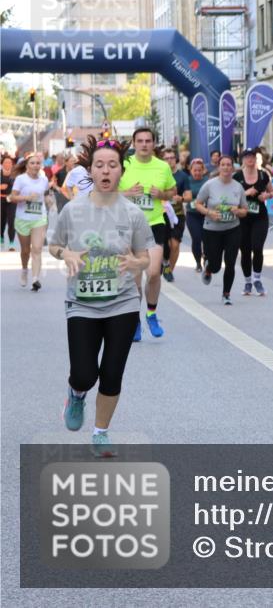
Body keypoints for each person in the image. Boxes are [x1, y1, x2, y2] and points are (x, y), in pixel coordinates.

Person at [50, 136, 153, 457]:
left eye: (112, 165)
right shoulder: (73, 210)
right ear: (90, 171)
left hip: (122, 302)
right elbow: (54, 245)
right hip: (81, 303)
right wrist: (65, 254)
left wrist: (137, 262)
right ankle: (76, 394)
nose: (106, 170)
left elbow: (145, 256)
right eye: (99, 165)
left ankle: (100, 433)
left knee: (112, 373)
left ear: (121, 170)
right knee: (84, 373)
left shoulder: (133, 213)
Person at [120, 127, 176, 341]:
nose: (144, 144)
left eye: (148, 141)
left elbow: (172, 191)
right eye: (140, 141)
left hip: (154, 224)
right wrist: (127, 193)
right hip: (129, 226)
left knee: (153, 273)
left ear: (154, 143)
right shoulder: (124, 165)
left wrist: (161, 194)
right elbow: (105, 191)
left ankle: (151, 313)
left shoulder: (162, 167)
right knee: (135, 279)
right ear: (134, 143)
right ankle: (135, 320)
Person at [195, 155, 248, 304]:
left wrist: (238, 211)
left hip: (233, 228)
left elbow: (245, 209)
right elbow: (197, 204)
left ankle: (226, 294)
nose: (225, 167)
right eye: (223, 165)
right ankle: (209, 267)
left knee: (230, 262)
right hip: (212, 230)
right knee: (216, 265)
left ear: (232, 167)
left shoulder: (238, 187)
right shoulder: (209, 185)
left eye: (228, 165)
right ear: (219, 167)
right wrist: (209, 212)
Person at [234, 149, 273, 296]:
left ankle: (257, 279)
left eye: (252, 157)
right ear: (243, 160)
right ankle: (247, 281)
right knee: (245, 250)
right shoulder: (237, 177)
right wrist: (245, 194)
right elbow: (231, 195)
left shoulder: (263, 175)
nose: (250, 159)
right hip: (242, 218)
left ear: (256, 159)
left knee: (257, 247)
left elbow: (272, 192)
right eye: (247, 157)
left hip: (260, 217)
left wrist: (266, 195)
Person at [9, 152, 49, 290]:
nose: (35, 165)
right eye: (32, 163)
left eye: (38, 163)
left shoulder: (44, 180)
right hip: (23, 219)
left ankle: (35, 279)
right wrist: (26, 198)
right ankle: (25, 269)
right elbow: (12, 197)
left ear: (40, 166)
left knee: (37, 249)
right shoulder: (21, 179)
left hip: (39, 218)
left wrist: (51, 203)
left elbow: (46, 195)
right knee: (25, 250)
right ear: (27, 165)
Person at [162, 148, 189, 283]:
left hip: (177, 215)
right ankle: (164, 263)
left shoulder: (182, 176)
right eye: (166, 158)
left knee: (175, 245)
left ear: (176, 159)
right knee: (164, 244)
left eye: (172, 157)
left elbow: (189, 196)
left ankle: (169, 271)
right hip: (162, 214)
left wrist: (182, 199)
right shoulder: (158, 174)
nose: (169, 160)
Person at [185, 158, 209, 272]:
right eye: (195, 170)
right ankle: (198, 262)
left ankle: (206, 259)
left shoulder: (207, 181)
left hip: (206, 214)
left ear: (203, 170)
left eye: (199, 170)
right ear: (191, 170)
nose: (197, 172)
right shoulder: (187, 181)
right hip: (192, 214)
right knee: (196, 238)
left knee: (207, 239)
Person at [1, 154, 16, 251]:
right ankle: (1, 236)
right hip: (1, 199)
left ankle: (11, 242)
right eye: (6, 162)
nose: (8, 164)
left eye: (10, 162)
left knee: (11, 221)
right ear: (2, 164)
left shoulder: (15, 175)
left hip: (12, 200)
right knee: (1, 220)